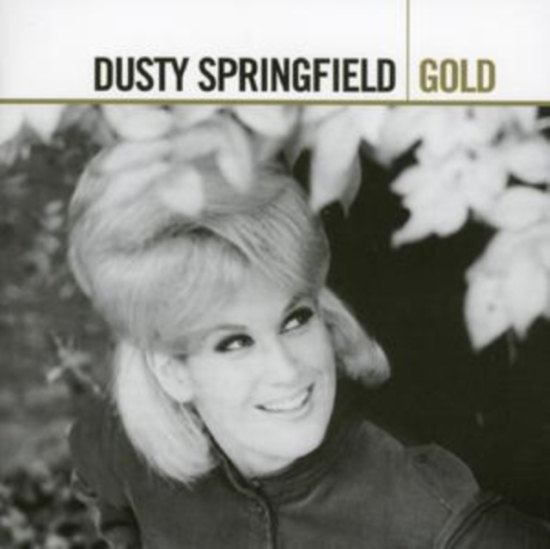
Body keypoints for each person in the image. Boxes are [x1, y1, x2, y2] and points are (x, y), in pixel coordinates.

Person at [68, 119, 550, 549]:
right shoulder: (123, 442)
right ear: (171, 372)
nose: (286, 370)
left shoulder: (426, 508)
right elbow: (100, 485)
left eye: (295, 319)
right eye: (234, 343)